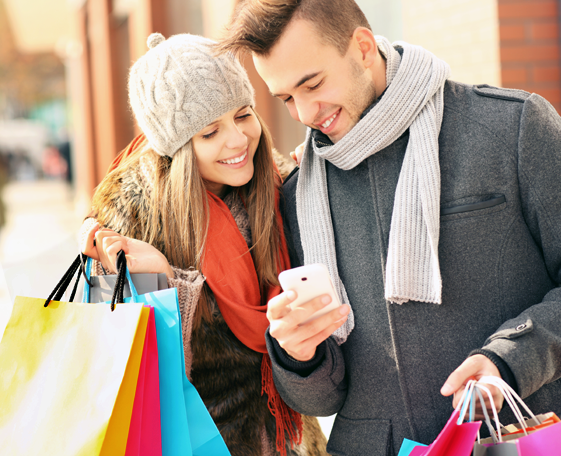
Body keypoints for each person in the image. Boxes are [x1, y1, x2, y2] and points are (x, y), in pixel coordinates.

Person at [218, 1, 561, 455]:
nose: (303, 113)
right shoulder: (297, 195)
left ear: (362, 48)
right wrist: (298, 356)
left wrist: (510, 359)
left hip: (510, 440)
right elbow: (322, 398)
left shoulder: (513, 127)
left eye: (313, 83)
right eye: (285, 99)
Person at [79, 33, 327, 456]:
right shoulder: (128, 217)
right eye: (210, 132)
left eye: (243, 115)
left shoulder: (281, 185)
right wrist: (164, 280)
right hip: (193, 441)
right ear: (176, 148)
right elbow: (122, 373)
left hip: (289, 436)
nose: (238, 140)